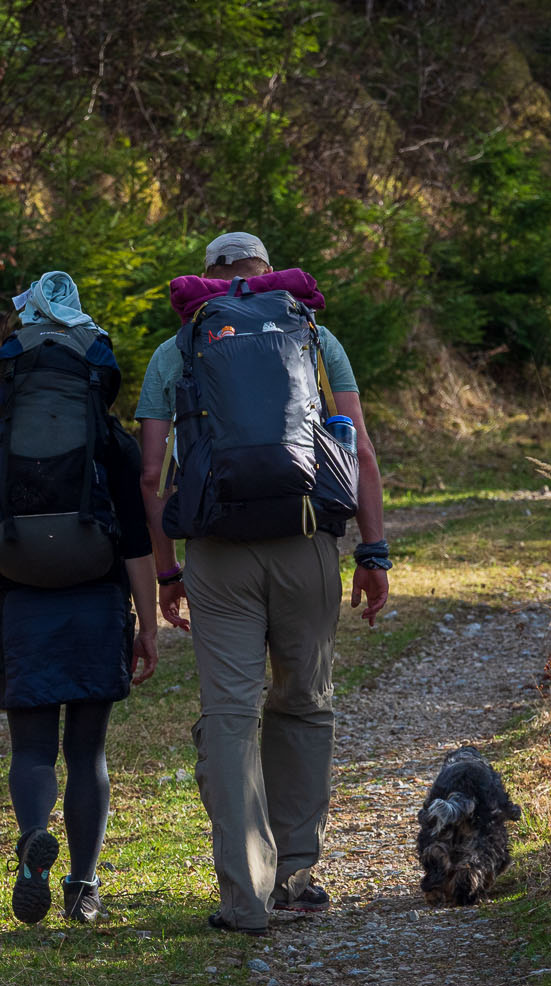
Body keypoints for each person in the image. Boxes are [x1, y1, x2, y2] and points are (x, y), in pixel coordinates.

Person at [136, 231, 391, 936]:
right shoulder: (312, 334)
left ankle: (244, 898)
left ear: (213, 275)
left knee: (229, 713)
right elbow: (358, 447)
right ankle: (296, 876)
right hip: (307, 539)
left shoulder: (180, 346)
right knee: (304, 704)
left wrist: (166, 570)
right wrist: (374, 551)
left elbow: (151, 475)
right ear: (266, 271)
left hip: (217, 552)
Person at [0, 272, 159, 925]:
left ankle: (28, 849)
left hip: (21, 604)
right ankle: (84, 886)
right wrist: (148, 626)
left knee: (33, 749)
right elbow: (135, 544)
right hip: (96, 603)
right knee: (87, 751)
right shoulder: (111, 441)